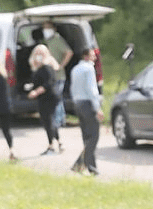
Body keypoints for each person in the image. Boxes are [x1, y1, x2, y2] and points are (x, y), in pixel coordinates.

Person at [70, 48, 103, 176]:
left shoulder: (75, 69)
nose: (94, 58)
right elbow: (92, 90)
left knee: (86, 136)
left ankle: (91, 167)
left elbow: (73, 88)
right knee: (94, 135)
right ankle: (80, 164)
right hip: (88, 103)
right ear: (86, 57)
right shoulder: (89, 69)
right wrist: (97, 108)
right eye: (92, 56)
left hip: (78, 103)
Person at [27, 44, 64, 155]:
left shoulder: (47, 66)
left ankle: (51, 145)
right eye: (37, 53)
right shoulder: (39, 68)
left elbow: (49, 82)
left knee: (48, 120)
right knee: (49, 120)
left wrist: (36, 91)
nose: (38, 56)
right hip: (45, 97)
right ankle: (58, 142)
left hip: (49, 97)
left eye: (41, 53)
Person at [42, 21, 73, 129]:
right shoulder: (49, 41)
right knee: (56, 98)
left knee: (57, 98)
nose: (45, 30)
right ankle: (59, 120)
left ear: (54, 28)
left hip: (58, 76)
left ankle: (59, 121)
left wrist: (61, 65)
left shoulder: (57, 39)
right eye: (44, 28)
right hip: (51, 76)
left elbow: (69, 52)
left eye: (48, 27)